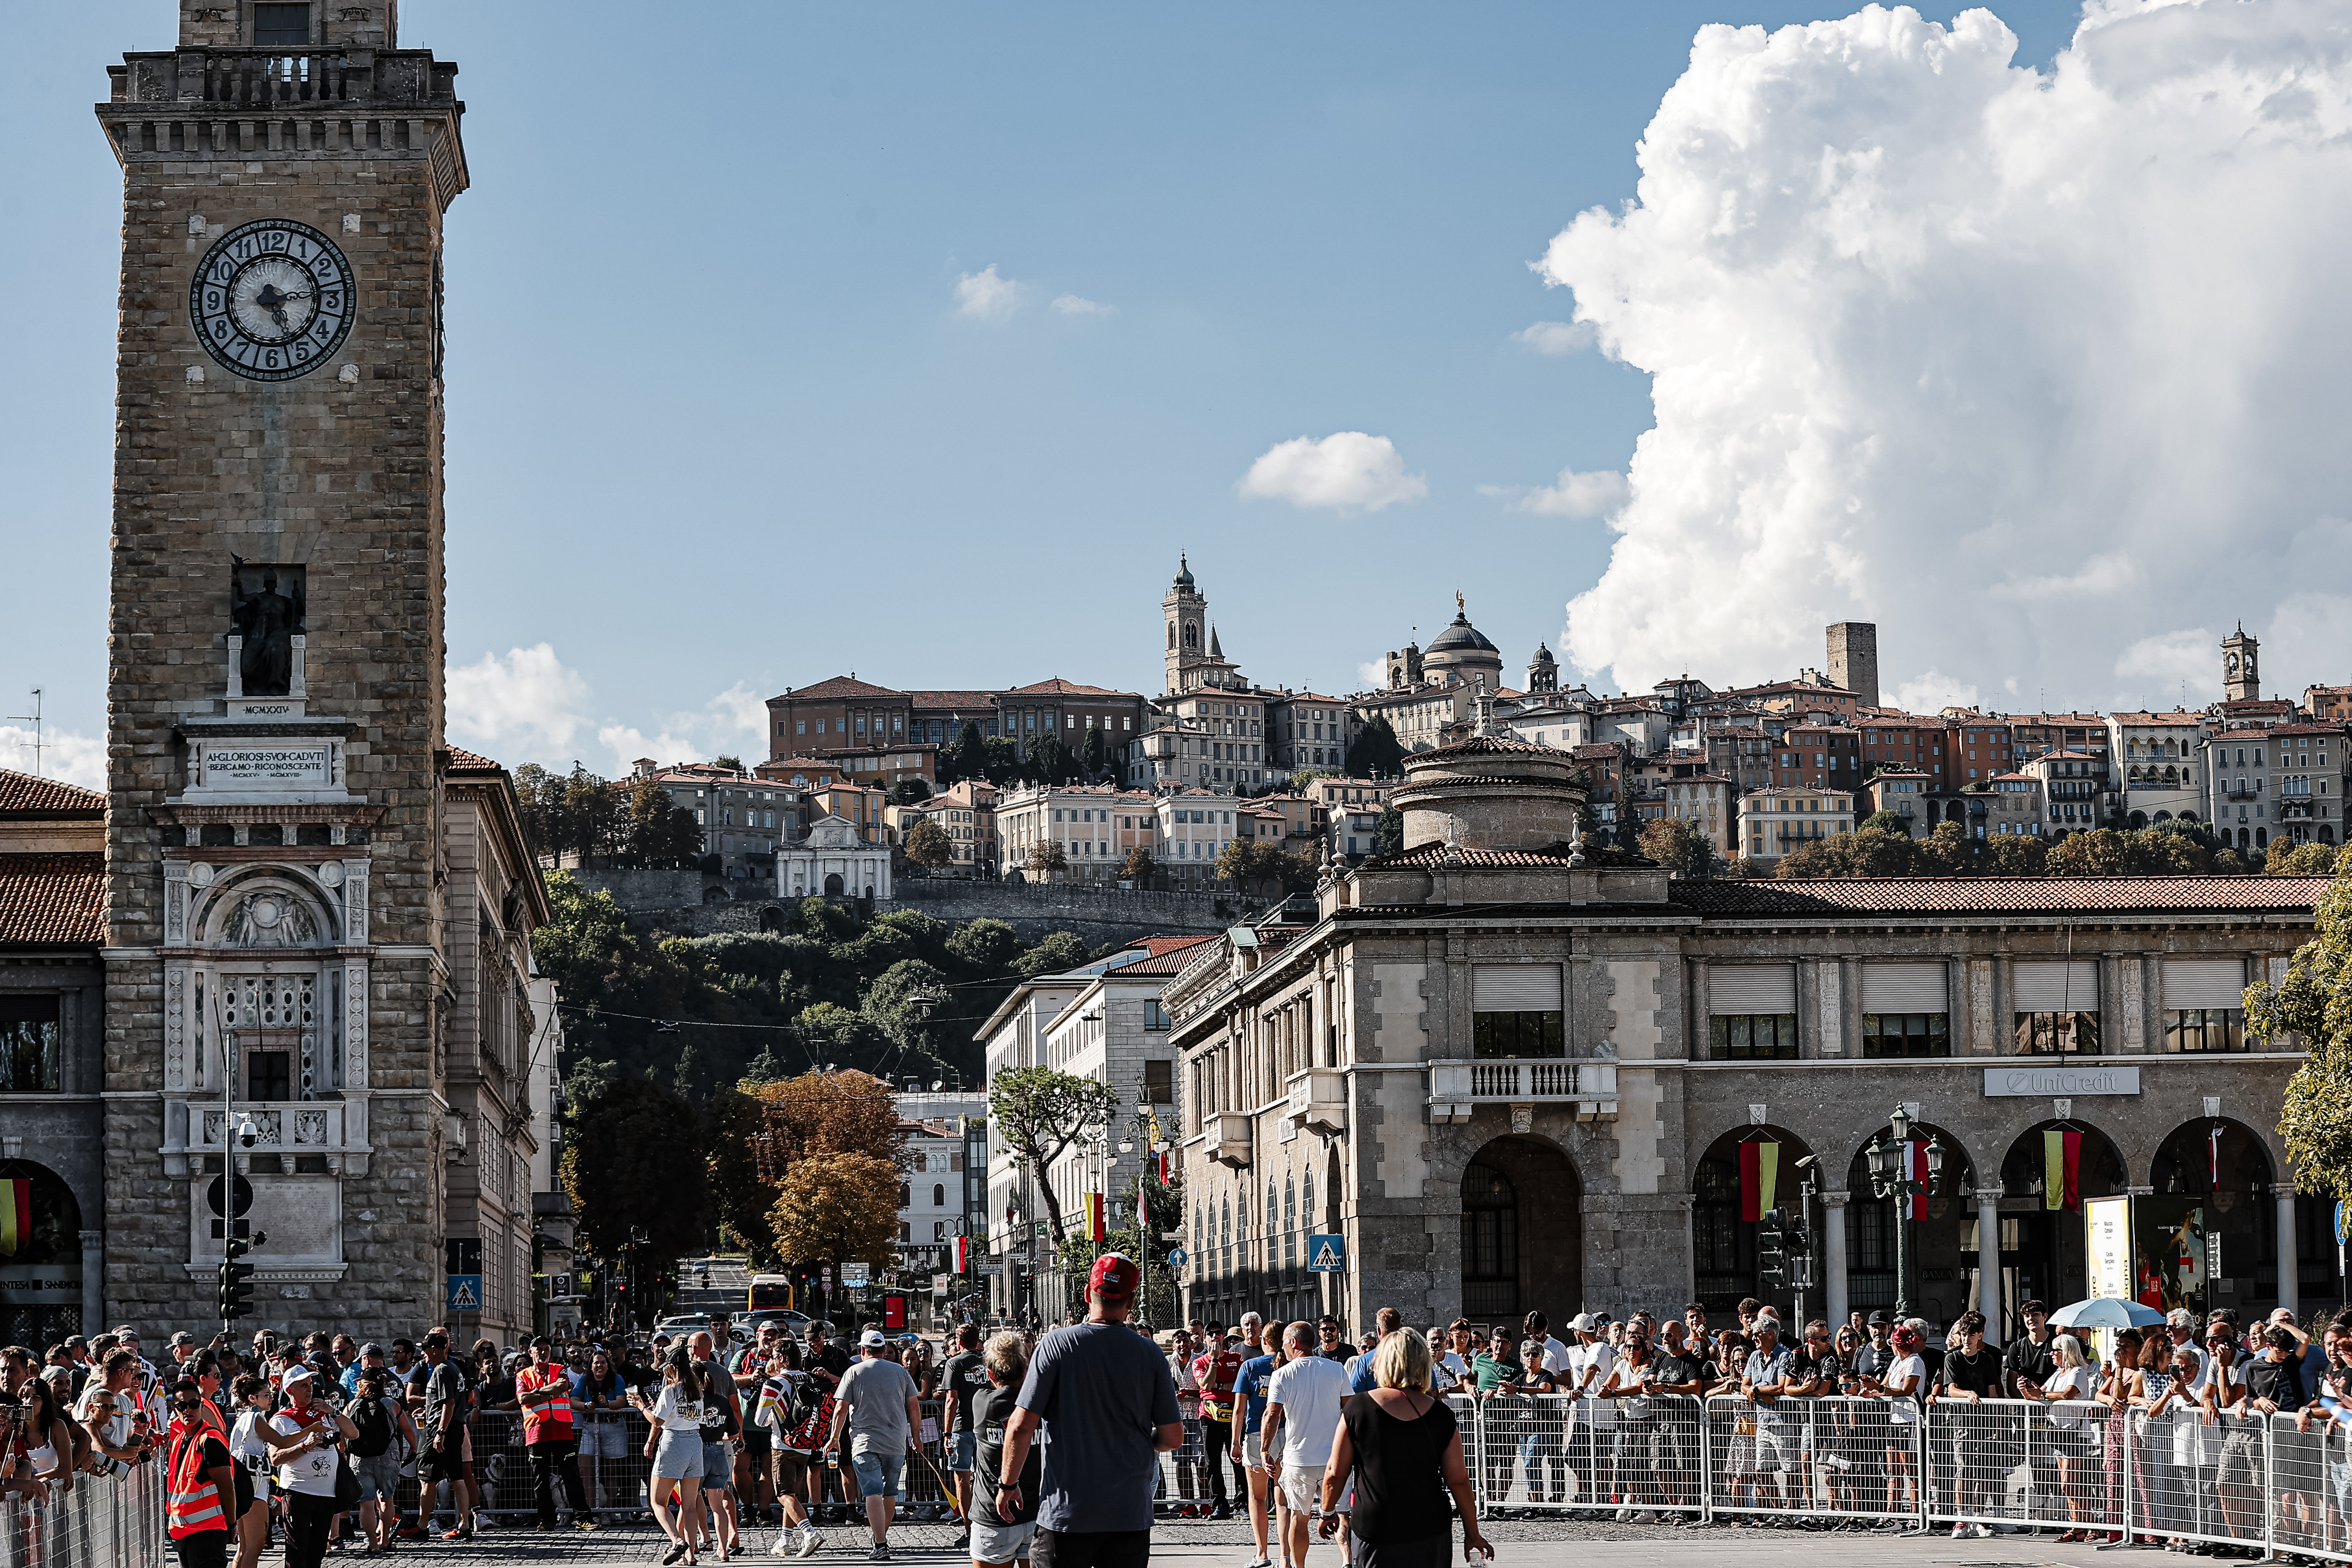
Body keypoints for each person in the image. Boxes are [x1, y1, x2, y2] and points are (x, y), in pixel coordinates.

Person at [996, 1254, 1182, 1568]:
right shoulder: (1149, 1353)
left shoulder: (1056, 1345)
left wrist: (1007, 1485)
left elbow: (1020, 1426)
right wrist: (1136, 1437)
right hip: (1128, 1515)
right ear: (1132, 1300)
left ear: (1087, 1294)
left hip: (1066, 1514)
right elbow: (1173, 1437)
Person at [1317, 1329, 1488, 1568]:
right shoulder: (1442, 1415)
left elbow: (1335, 1471)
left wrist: (1327, 1512)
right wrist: (1473, 1533)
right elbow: (1459, 1480)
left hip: (1376, 1527)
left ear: (1382, 1362)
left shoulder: (1359, 1408)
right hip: (1429, 1527)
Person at [829, 1328, 924, 1561]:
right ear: (884, 1351)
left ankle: (880, 1542)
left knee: (872, 1491)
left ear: (863, 1350)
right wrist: (917, 1437)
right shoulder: (901, 1372)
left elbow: (841, 1408)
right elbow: (914, 1407)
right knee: (890, 1493)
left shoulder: (853, 1372)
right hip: (895, 1441)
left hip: (865, 1442)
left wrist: (834, 1438)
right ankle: (882, 1537)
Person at [1264, 1322, 1353, 1565]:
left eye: (1284, 1341)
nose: (1282, 1346)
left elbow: (1272, 1415)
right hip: (1334, 1460)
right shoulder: (1337, 1369)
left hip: (1299, 1460)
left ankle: (1299, 1566)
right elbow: (1351, 1411)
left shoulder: (1282, 1375)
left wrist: (1265, 1450)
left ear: (1294, 1342)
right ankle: (1347, 1560)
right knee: (1342, 1513)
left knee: (1299, 1518)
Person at [271, 1366, 359, 1568]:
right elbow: (275, 1458)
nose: (309, 1389)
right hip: (298, 1491)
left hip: (326, 1493)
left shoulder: (323, 1414)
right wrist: (305, 1446)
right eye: (303, 1385)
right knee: (297, 1551)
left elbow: (353, 1433)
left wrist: (333, 1411)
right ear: (290, 1391)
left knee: (318, 1550)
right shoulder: (281, 1420)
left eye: (311, 1385)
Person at [970, 1332, 1042, 1568]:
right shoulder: (1041, 1404)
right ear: (1025, 1369)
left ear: (991, 1374)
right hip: (1037, 1513)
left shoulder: (982, 1401)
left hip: (992, 1514)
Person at [636, 1345, 711, 1566]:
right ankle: (691, 1555)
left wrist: (641, 1407)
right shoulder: (697, 1390)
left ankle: (677, 1541)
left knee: (658, 1501)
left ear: (671, 1367)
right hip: (694, 1442)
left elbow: (658, 1421)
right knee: (689, 1505)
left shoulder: (671, 1390)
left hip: (674, 1442)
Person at [515, 1335, 595, 1532]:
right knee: (540, 1479)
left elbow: (563, 1387)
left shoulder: (559, 1368)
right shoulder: (522, 1375)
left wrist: (538, 1393)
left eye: (547, 1348)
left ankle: (583, 1517)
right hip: (537, 1432)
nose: (543, 1352)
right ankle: (546, 1520)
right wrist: (550, 1393)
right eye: (539, 1349)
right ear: (530, 1352)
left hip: (562, 1431)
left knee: (572, 1476)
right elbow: (523, 1398)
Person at [166, 1378, 245, 1568]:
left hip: (208, 1531)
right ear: (175, 1409)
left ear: (201, 1405)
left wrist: (232, 1525)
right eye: (182, 1406)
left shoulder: (210, 1441)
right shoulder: (180, 1441)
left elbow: (227, 1488)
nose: (188, 1410)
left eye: (193, 1404)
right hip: (183, 1530)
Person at [347, 1368, 417, 1553]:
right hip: (388, 1457)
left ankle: (373, 1544)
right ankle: (386, 1540)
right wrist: (413, 1447)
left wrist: (343, 1453)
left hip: (360, 1458)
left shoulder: (353, 1405)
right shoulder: (391, 1404)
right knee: (387, 1499)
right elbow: (407, 1430)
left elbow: (343, 1432)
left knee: (367, 1503)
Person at [943, 1324, 991, 1531]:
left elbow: (951, 1401)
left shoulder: (954, 1364)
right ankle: (990, 1524)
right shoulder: (989, 1362)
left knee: (962, 1480)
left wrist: (946, 1433)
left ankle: (969, 1529)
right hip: (986, 1427)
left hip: (962, 1427)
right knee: (988, 1477)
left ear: (959, 1342)